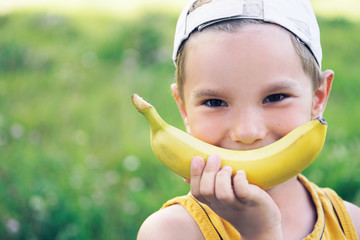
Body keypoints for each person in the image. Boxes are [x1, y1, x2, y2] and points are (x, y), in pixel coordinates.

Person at [137, 0, 360, 239]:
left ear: (318, 98)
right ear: (184, 109)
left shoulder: (352, 224)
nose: (247, 132)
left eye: (275, 97)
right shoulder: (170, 232)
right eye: (214, 102)